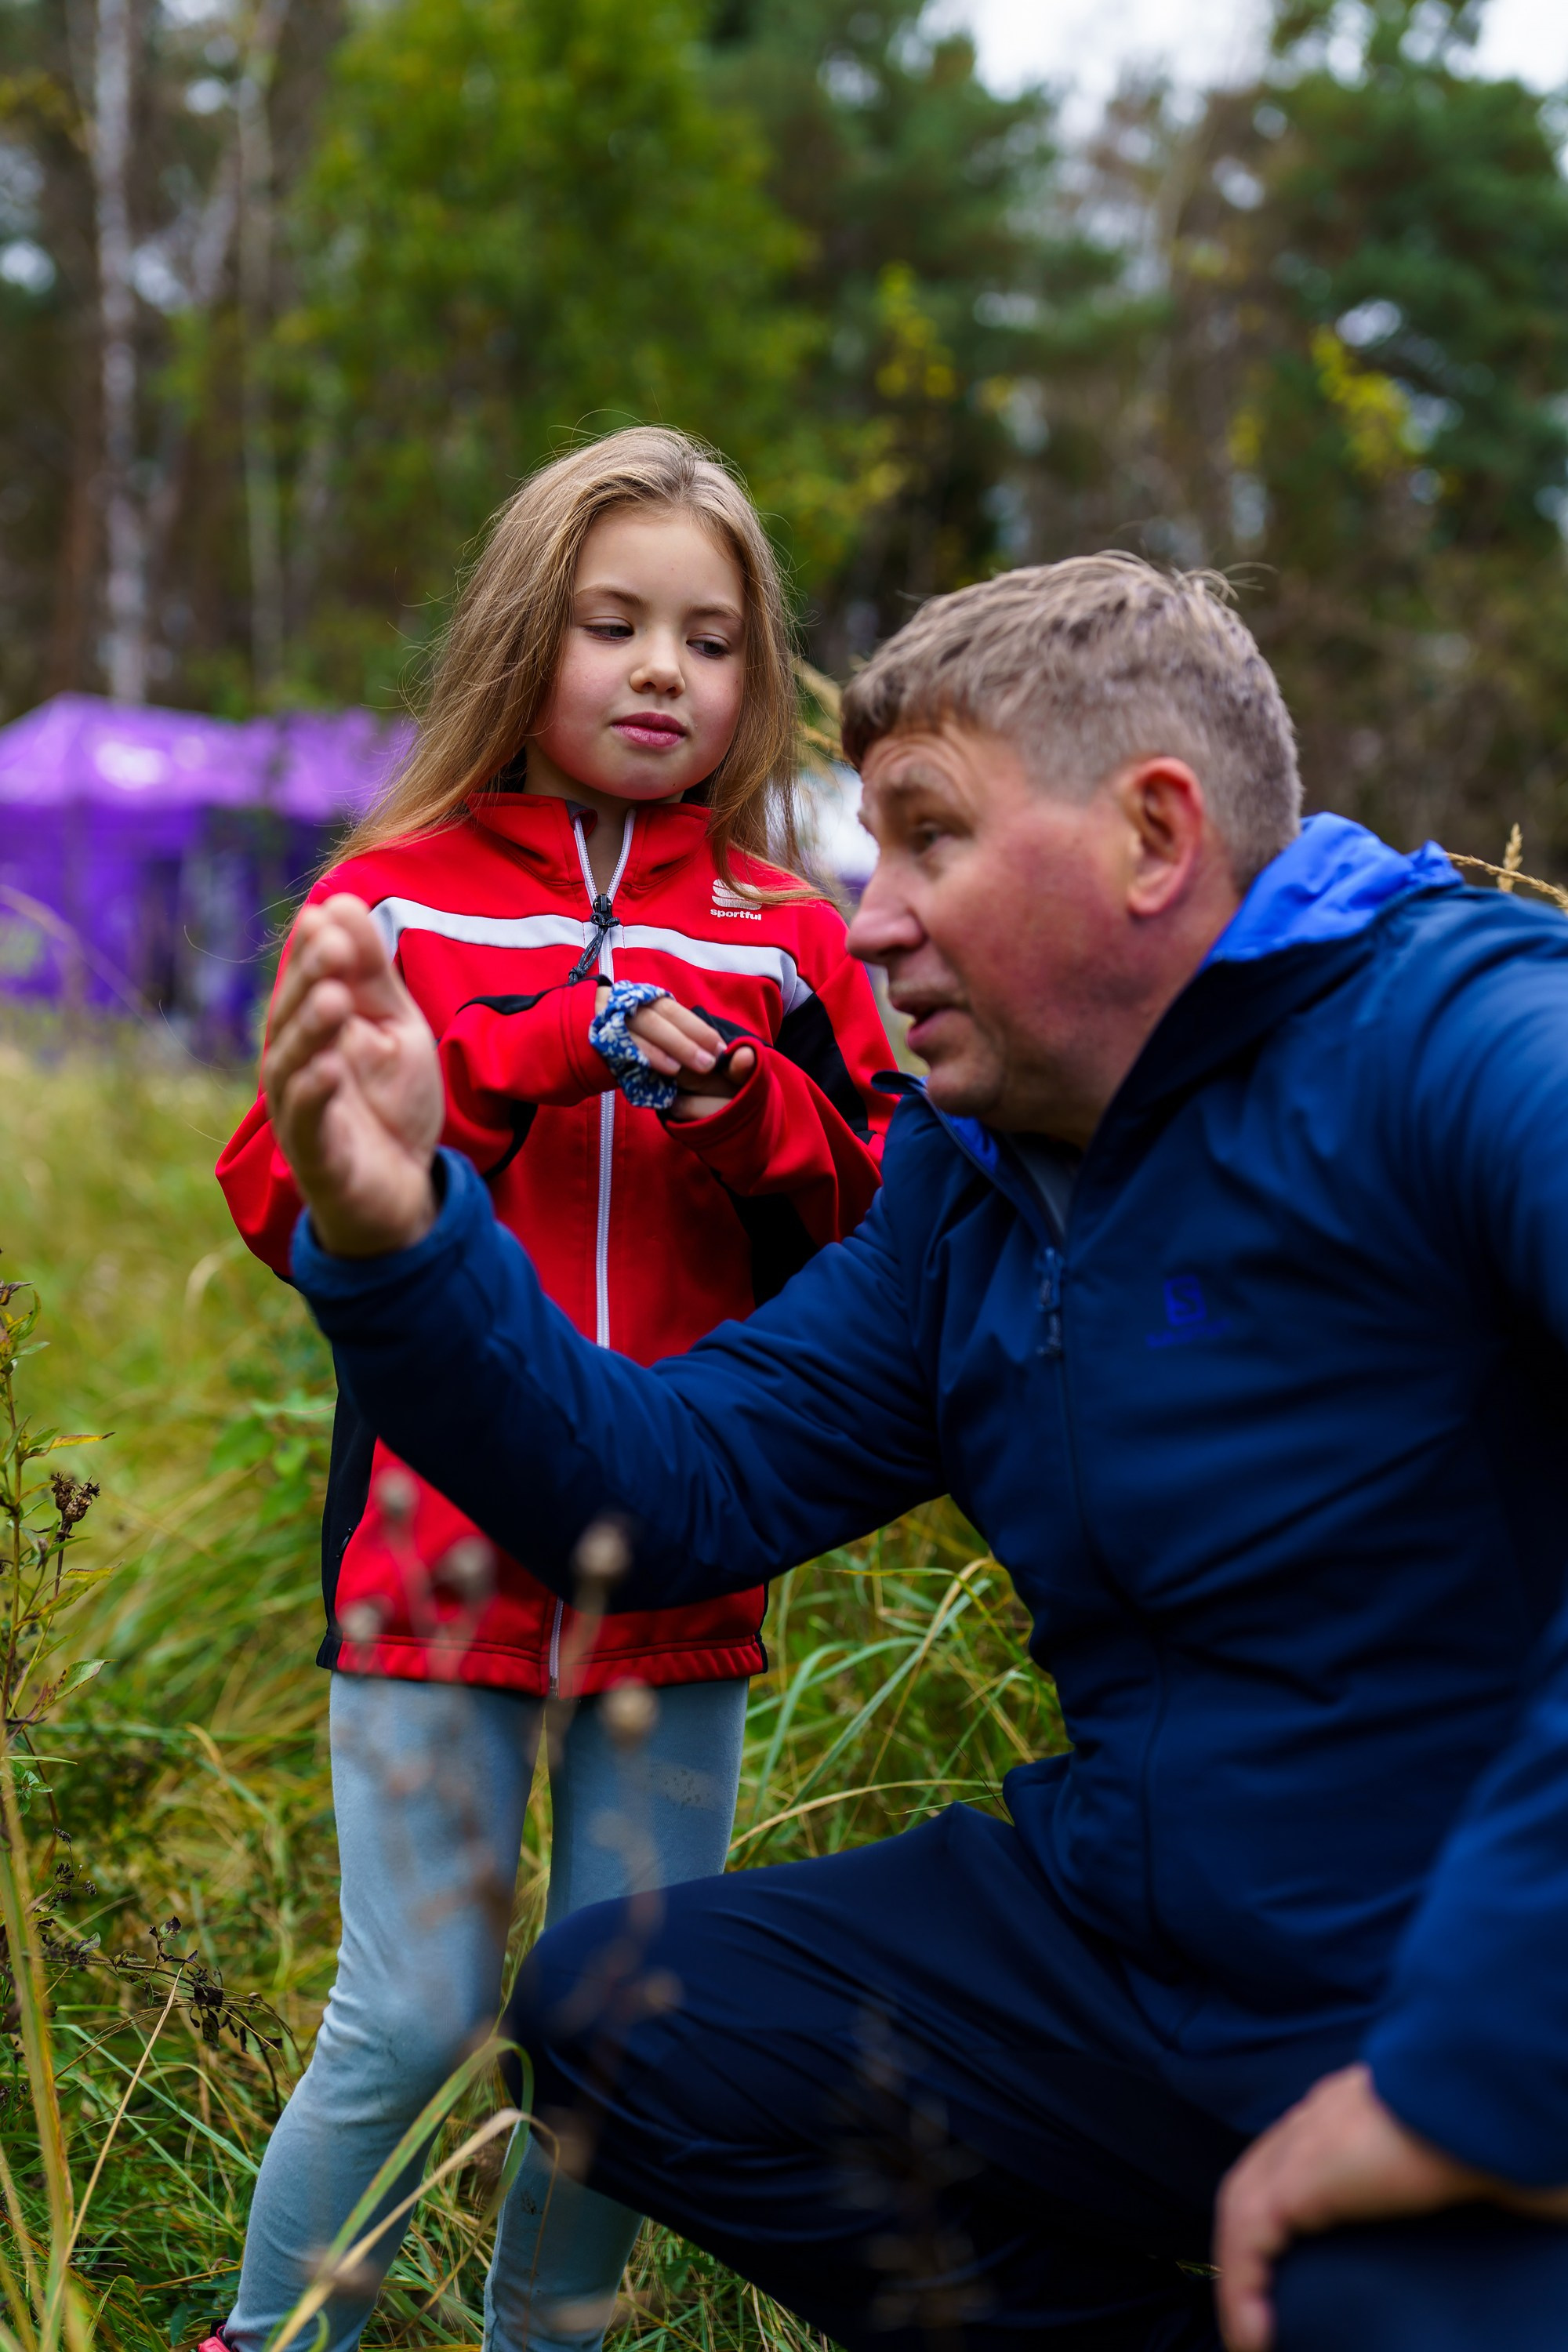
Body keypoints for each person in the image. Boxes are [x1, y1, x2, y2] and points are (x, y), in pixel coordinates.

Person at [260, 554, 1568, 2352]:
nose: (866, 921)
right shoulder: (968, 1182)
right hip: (1143, 1964)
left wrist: (1477, 2069)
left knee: (1399, 2292)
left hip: (1475, 1992)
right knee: (637, 2011)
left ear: (1152, 838)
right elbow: (670, 1490)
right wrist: (404, 1241)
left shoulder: (1458, 1031)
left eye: (928, 839)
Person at [210, 427, 891, 2352]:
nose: (663, 671)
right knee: (415, 2011)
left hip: (688, 1547)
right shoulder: (393, 901)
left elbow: (875, 1234)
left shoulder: (792, 937)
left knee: (621, 2030)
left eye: (711, 637)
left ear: (760, 680)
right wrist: (528, 1054)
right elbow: (279, 1196)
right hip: (430, 1549)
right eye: (614, 625)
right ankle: (275, 2342)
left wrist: (742, 1102)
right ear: (530, 637)